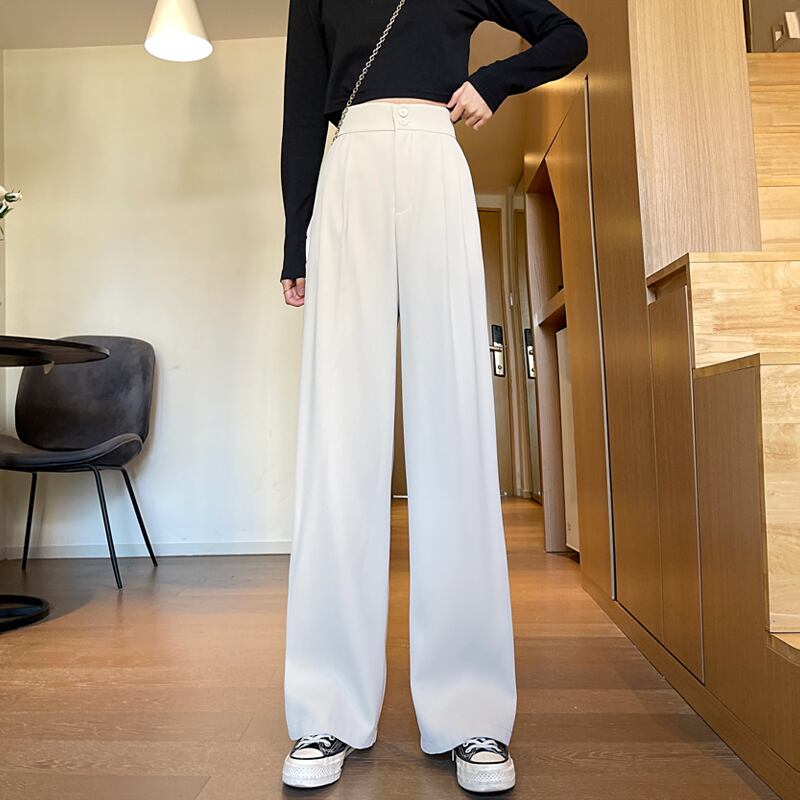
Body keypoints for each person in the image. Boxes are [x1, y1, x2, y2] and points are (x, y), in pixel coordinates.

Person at [278, 0, 588, 792]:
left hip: (435, 156)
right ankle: (325, 709)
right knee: (339, 432)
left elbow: (567, 36)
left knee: (454, 425)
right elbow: (301, 105)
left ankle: (471, 710)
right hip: (349, 164)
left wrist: (495, 80)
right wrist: (294, 240)